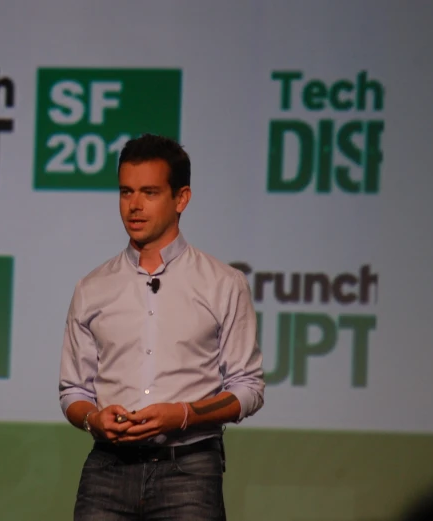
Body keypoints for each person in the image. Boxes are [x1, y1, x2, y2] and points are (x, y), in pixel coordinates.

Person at [58, 133, 265, 520]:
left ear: (181, 198)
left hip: (189, 470)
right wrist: (94, 419)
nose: (134, 206)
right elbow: (73, 391)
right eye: (126, 192)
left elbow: (248, 388)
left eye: (149, 192)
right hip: (107, 470)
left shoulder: (222, 283)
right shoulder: (92, 287)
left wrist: (183, 415)